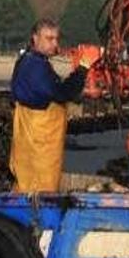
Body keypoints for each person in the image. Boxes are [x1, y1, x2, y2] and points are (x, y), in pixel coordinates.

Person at [9, 18, 86, 193]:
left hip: (29, 136)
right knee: (41, 186)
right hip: (39, 139)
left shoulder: (30, 61)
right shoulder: (35, 65)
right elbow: (60, 93)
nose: (54, 43)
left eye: (56, 39)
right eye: (49, 38)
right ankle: (37, 216)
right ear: (35, 38)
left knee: (25, 181)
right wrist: (81, 72)